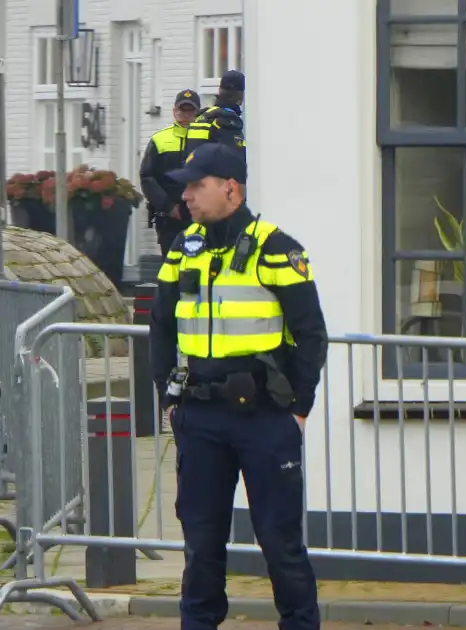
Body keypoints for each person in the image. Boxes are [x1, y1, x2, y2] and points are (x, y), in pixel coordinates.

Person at [149, 143, 327, 630]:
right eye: (184, 186)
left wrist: (300, 407)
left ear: (231, 187)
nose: (185, 195)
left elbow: (310, 334)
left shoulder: (275, 247)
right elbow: (161, 323)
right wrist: (167, 392)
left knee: (279, 542)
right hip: (200, 415)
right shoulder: (184, 246)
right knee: (201, 544)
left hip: (265, 417)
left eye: (195, 185)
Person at [141, 89, 201, 253]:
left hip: (199, 215)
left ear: (198, 113)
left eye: (190, 111)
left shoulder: (206, 140)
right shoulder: (159, 140)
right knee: (170, 265)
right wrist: (167, 206)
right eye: (182, 110)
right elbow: (147, 176)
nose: (186, 115)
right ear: (175, 111)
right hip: (168, 217)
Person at [184, 70, 246, 158]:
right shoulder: (227, 120)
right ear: (240, 95)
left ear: (220, 90)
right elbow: (234, 161)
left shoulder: (202, 117)